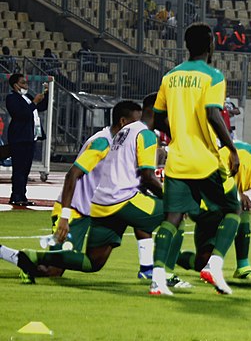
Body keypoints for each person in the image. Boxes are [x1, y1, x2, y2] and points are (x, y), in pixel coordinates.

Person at [0, 101, 159, 283]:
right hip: (74, 210)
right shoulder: (102, 141)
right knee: (54, 270)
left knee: (96, 261)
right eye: (135, 123)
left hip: (94, 211)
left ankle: (147, 268)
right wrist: (65, 217)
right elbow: (72, 176)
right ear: (123, 122)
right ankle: (12, 255)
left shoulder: (121, 145)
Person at [149, 23, 242, 297]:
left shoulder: (170, 77)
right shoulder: (213, 76)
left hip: (176, 160)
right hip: (204, 161)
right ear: (211, 45)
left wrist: (178, 132)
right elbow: (214, 114)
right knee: (232, 210)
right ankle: (214, 265)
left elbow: (156, 119)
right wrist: (232, 149)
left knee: (172, 218)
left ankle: (157, 280)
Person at [173, 132, 251, 282]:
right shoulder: (238, 151)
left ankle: (170, 255)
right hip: (203, 205)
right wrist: (238, 194)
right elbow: (210, 167)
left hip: (223, 211)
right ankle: (241, 266)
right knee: (241, 204)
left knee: (201, 262)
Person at [5, 74, 48, 206]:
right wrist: (34, 102)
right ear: (15, 85)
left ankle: (21, 195)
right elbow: (20, 114)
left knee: (25, 169)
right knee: (19, 169)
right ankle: (17, 195)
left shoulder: (27, 98)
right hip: (19, 138)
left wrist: (45, 95)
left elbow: (41, 108)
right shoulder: (11, 98)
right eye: (23, 83)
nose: (26, 85)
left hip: (30, 137)